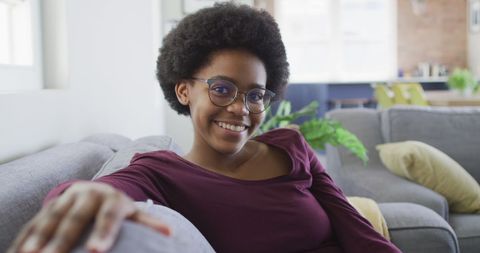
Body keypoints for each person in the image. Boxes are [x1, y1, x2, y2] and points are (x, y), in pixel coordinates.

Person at [9, 3, 401, 253]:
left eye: (255, 95)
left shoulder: (291, 146)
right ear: (184, 90)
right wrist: (81, 196)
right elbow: (92, 194)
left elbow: (357, 231)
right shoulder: (159, 172)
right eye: (222, 89)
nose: (241, 109)